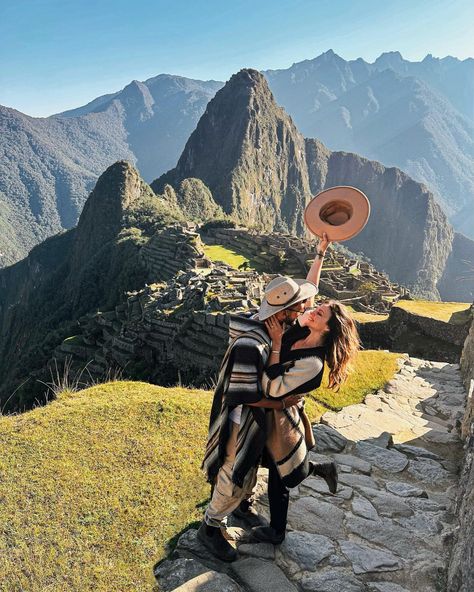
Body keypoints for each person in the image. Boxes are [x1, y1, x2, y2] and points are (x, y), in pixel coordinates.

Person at [198, 274, 318, 562]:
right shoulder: (250, 345)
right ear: (282, 312)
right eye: (298, 307)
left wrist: (321, 253)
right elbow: (241, 394)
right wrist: (281, 402)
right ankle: (210, 528)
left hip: (256, 420)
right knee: (232, 472)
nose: (303, 310)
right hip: (240, 421)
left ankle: (242, 506)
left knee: (250, 470)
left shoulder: (269, 331)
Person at [250, 276, 361, 544]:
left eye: (319, 312)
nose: (312, 310)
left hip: (284, 415)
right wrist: (321, 250)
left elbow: (274, 388)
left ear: (328, 328)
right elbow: (308, 288)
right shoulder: (301, 331)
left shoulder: (313, 362)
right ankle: (321, 469)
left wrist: (262, 361)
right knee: (265, 458)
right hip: (271, 409)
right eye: (315, 308)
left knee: (281, 471)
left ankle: (277, 531)